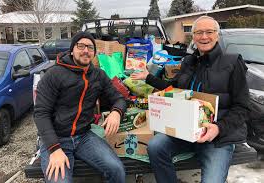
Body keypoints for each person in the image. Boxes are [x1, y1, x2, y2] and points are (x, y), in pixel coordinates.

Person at [131, 16, 250, 183]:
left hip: (217, 138)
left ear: (217, 35)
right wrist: (148, 77)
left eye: (209, 32)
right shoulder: (189, 61)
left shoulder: (232, 62)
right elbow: (174, 89)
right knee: (156, 146)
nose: (204, 37)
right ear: (193, 36)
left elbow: (243, 107)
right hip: (185, 131)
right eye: (199, 32)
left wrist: (218, 128)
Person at [34, 31, 127, 183]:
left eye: (90, 48)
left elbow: (119, 98)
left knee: (116, 169)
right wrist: (54, 148)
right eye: (81, 46)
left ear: (94, 53)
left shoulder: (98, 75)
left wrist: (116, 112)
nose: (86, 51)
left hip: (84, 136)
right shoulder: (54, 75)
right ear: (72, 50)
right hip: (57, 139)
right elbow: (40, 114)